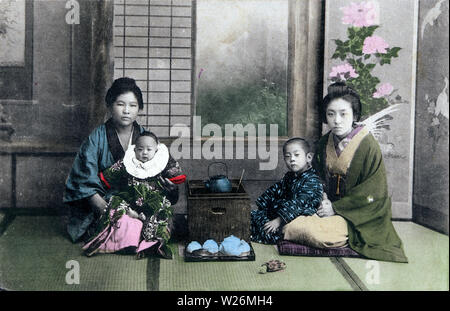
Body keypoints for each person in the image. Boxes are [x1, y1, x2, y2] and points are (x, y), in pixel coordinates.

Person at [283, 82, 408, 263]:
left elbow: (373, 192)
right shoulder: (324, 142)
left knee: (316, 234)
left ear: (354, 115)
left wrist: (336, 208)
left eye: (344, 114)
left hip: (360, 215)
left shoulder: (367, 145)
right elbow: (315, 178)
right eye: (331, 114)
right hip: (325, 209)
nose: (337, 120)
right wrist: (324, 200)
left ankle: (340, 232)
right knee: (291, 226)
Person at [63, 77, 178, 253]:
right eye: (120, 104)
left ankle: (137, 233)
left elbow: (163, 173)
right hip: (107, 202)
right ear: (110, 106)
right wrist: (108, 210)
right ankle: (131, 233)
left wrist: (169, 187)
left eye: (132, 105)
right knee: (125, 223)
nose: (126, 111)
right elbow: (84, 182)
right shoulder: (96, 138)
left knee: (162, 214)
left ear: (139, 109)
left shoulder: (146, 138)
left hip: (141, 200)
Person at [82, 131, 185, 258]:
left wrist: (172, 186)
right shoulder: (128, 162)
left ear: (156, 150)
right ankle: (121, 235)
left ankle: (150, 243)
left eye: (149, 149)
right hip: (130, 200)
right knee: (116, 204)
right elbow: (109, 175)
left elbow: (175, 175)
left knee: (163, 208)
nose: (144, 153)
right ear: (135, 150)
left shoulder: (161, 161)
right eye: (140, 149)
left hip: (153, 201)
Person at [250, 138, 323, 244]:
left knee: (268, 230)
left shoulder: (312, 180)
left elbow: (298, 203)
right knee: (254, 216)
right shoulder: (290, 176)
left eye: (296, 155)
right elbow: (275, 190)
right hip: (282, 212)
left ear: (308, 157)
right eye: (288, 156)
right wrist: (263, 205)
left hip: (297, 216)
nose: (292, 159)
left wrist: (278, 221)